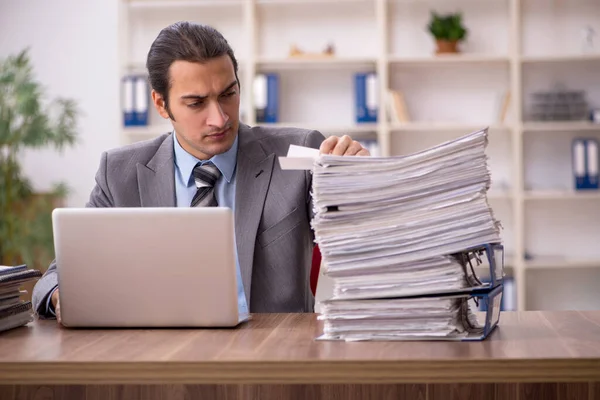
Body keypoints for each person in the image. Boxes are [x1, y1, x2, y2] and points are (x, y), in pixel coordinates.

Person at [32, 21, 370, 323]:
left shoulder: (296, 155)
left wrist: (362, 183)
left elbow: (362, 241)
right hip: (158, 355)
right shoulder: (120, 173)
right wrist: (67, 298)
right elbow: (57, 277)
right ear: (161, 104)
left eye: (229, 94)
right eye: (196, 103)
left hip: (271, 352)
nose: (220, 118)